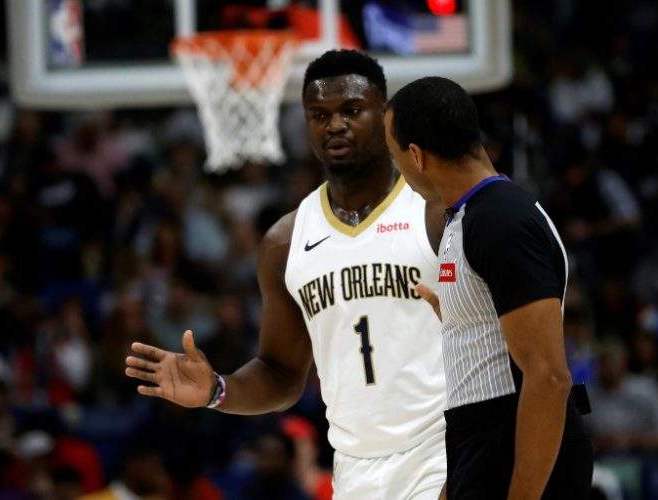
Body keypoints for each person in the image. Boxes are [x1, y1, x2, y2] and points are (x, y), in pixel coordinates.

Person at [125, 50, 448, 499]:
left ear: (386, 116)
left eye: (351, 111)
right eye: (319, 114)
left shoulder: (434, 211)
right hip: (355, 475)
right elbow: (279, 373)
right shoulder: (285, 241)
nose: (334, 125)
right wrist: (218, 389)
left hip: (445, 460)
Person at [385, 76, 593, 499]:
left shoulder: (501, 221)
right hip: (484, 446)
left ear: (416, 155)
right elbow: (491, 352)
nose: (399, 172)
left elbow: (549, 378)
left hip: (518, 453)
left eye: (395, 157)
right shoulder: (467, 217)